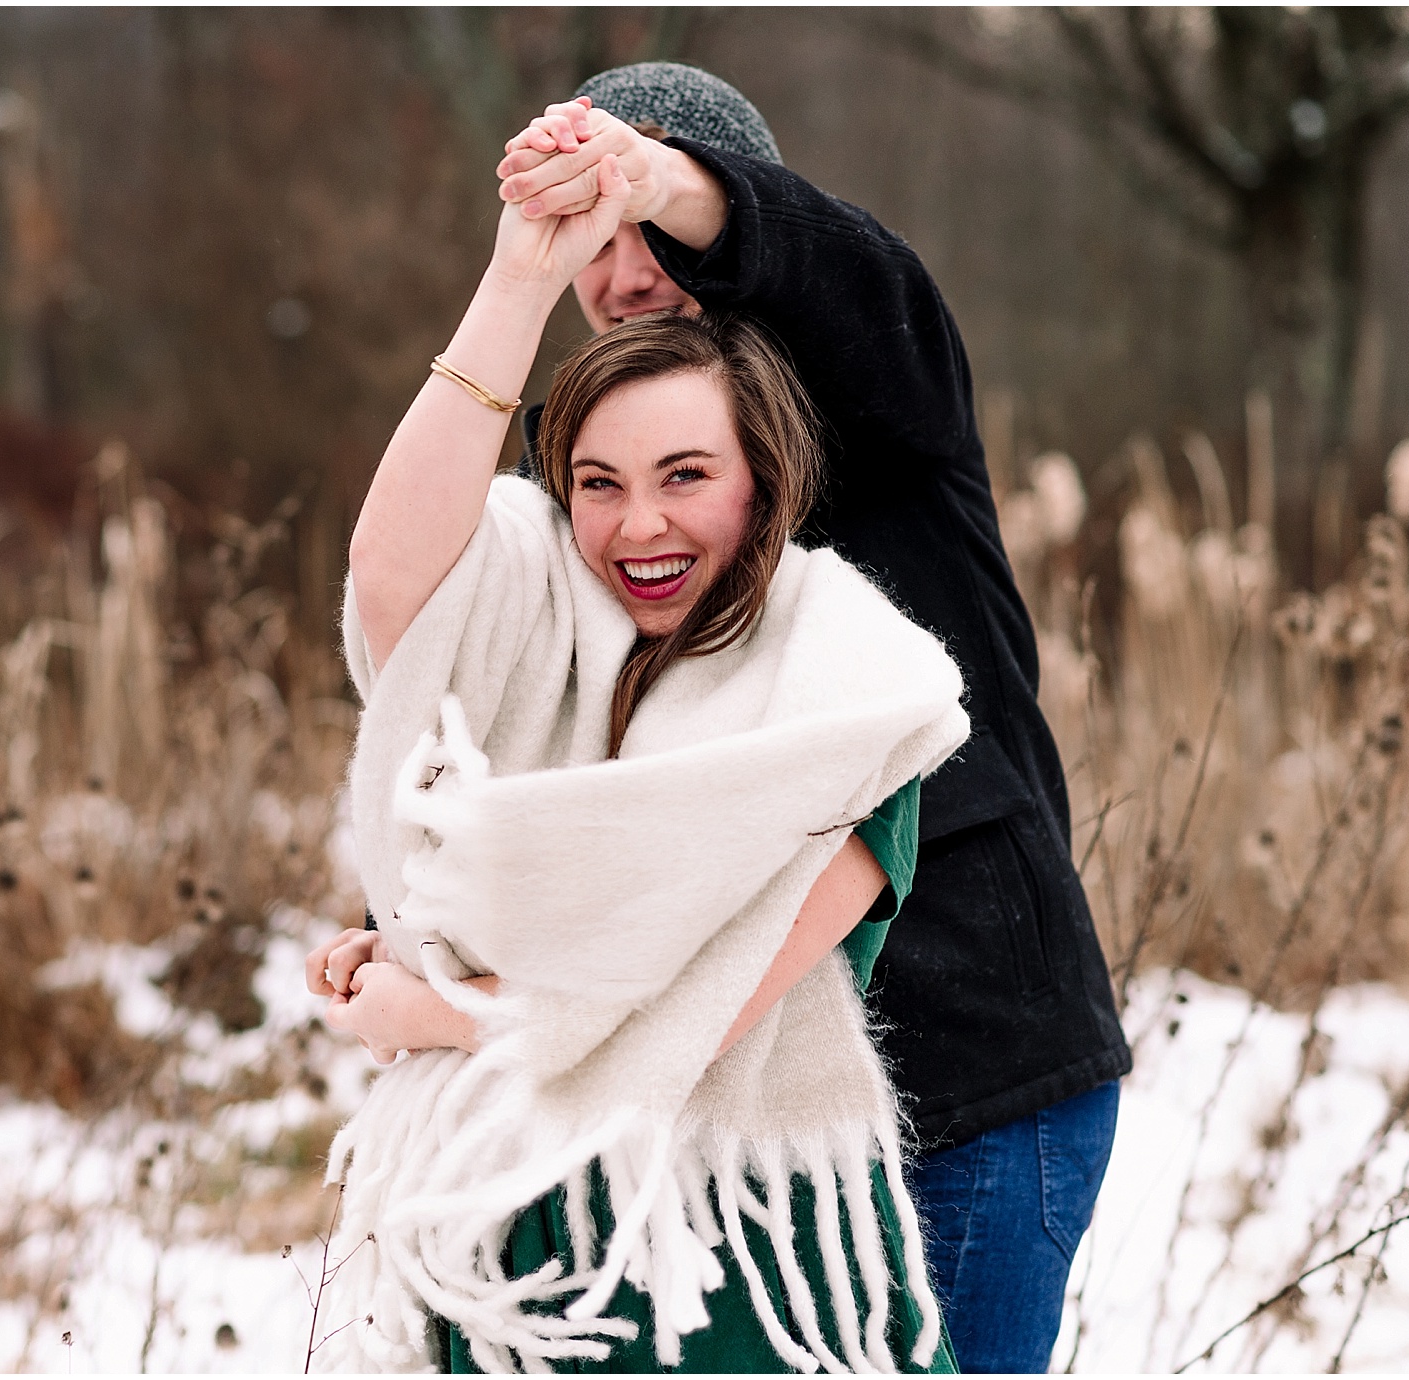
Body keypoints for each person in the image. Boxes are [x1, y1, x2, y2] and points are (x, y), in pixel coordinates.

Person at [478, 63, 1131, 1374]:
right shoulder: (586, 482)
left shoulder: (884, 406)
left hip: (973, 1090)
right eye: (593, 245)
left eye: (655, 226)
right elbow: (500, 698)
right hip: (737, 1115)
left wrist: (657, 176)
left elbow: (847, 278)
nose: (624, 273)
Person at [304, 130, 973, 1372]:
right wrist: (515, 282)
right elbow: (398, 580)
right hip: (512, 1242)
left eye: (685, 475)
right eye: (599, 484)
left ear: (763, 486)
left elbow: (693, 1008)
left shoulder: (850, 695)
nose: (640, 523)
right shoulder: (552, 633)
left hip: (731, 1267)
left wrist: (428, 1009)